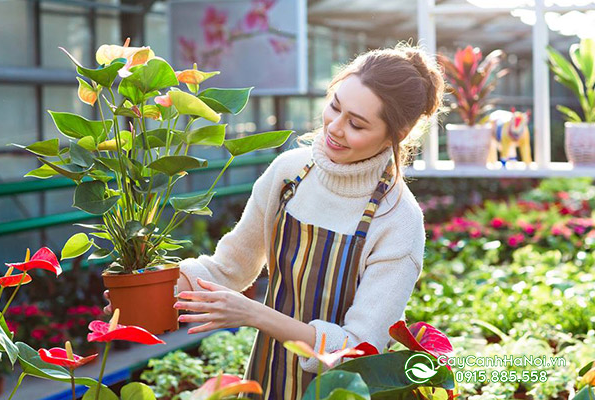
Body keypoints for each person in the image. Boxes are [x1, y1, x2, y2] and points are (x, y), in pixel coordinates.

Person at [104, 43, 445, 400]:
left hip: (343, 391)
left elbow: (358, 350)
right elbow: (230, 266)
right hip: (267, 379)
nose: (335, 127)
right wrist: (150, 291)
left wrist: (254, 314)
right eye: (334, 106)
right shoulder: (289, 173)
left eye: (356, 124)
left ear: (397, 135)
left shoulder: (398, 221)